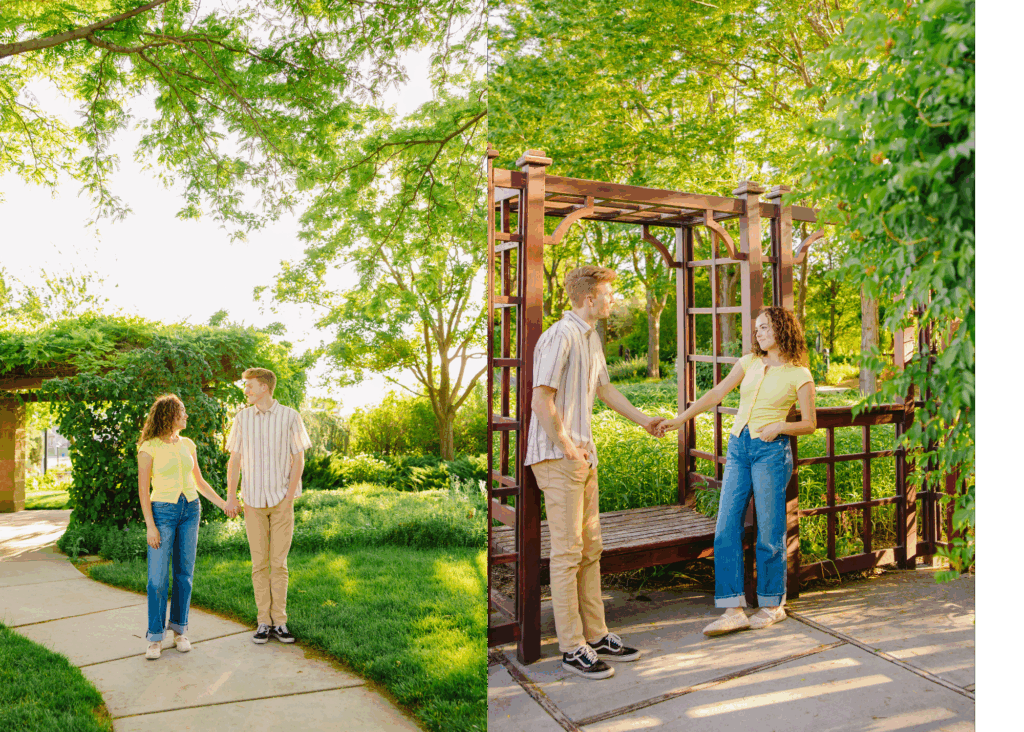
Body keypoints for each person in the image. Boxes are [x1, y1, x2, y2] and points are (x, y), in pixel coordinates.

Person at [527, 265, 666, 680]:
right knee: (568, 553)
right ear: (589, 299)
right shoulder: (560, 335)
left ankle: (597, 634)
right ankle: (572, 647)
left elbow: (605, 390)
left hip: (583, 457)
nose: (612, 301)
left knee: (590, 549)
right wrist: (569, 448)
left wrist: (644, 420)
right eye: (608, 295)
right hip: (558, 458)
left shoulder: (591, 338)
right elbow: (541, 399)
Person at [661, 306, 817, 635]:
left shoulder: (799, 374)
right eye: (756, 328)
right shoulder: (748, 363)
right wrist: (680, 419)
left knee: (770, 531)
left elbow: (810, 423)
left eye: (765, 327)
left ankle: (774, 605)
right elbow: (717, 393)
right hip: (738, 448)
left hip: (771, 451)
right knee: (726, 526)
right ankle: (733, 609)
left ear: (783, 329)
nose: (758, 333)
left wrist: (780, 426)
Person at [138, 394, 230, 660]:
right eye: (182, 412)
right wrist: (150, 527)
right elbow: (144, 492)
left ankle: (180, 631)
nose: (186, 416)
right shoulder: (148, 447)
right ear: (169, 415)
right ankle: (155, 638)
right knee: (157, 579)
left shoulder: (188, 444)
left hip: (190, 509)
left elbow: (199, 482)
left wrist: (223, 503)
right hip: (162, 513)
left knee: (184, 575)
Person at [224, 368, 312, 644]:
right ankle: (264, 621)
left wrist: (288, 497)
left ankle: (281, 622)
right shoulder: (242, 418)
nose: (246, 391)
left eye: (249, 386)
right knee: (259, 563)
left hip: (281, 501)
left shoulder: (290, 416)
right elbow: (235, 461)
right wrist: (230, 497)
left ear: (264, 387)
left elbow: (299, 459)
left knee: (279, 563)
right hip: (252, 501)